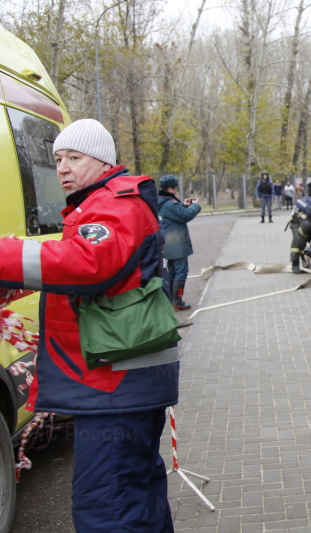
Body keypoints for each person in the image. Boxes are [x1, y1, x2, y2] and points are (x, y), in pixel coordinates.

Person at [0, 118, 179, 532]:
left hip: (114, 389)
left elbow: (89, 264)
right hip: (120, 386)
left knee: (108, 510)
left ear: (103, 162)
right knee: (136, 501)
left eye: (74, 157)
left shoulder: (114, 203)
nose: (62, 167)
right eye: (58, 158)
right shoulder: (98, 204)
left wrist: (6, 255)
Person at [157, 174, 202, 310]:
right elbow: (185, 215)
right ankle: (177, 300)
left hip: (168, 242)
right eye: (175, 188)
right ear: (170, 189)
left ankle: (171, 299)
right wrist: (195, 206)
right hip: (176, 243)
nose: (176, 190)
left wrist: (183, 204)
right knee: (181, 271)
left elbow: (175, 211)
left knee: (172, 271)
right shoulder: (170, 204)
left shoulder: (160, 201)